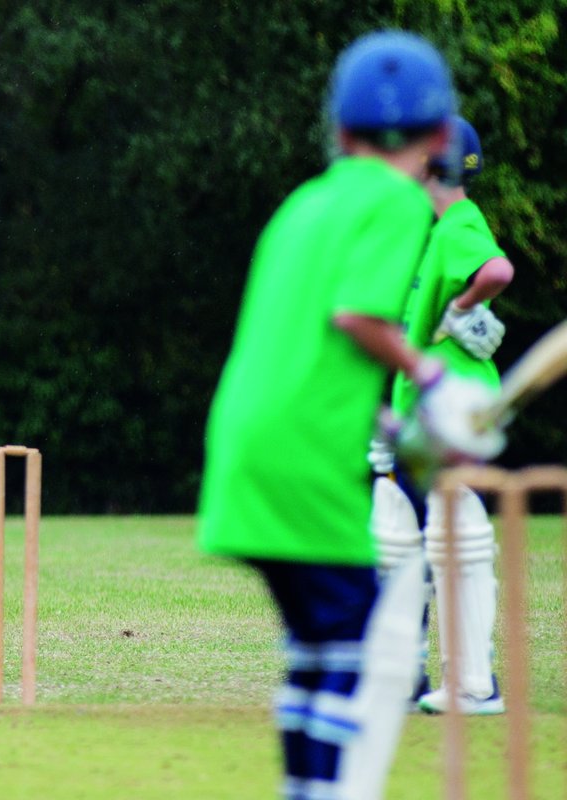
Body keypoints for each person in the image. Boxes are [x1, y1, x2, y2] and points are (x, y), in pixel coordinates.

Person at [197, 32, 503, 800]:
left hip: (247, 449)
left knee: (322, 646)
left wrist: (398, 428)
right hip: (303, 463)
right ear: (441, 138)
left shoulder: (307, 203)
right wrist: (434, 379)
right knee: (359, 645)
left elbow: (304, 349)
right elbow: (356, 319)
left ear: (337, 130)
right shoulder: (400, 203)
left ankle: (309, 788)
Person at [369, 115, 513, 716]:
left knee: (457, 540)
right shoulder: (435, 231)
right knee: (394, 536)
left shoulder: (458, 223)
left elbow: (497, 270)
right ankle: (402, 679)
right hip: (420, 411)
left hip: (452, 413)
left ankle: (474, 686)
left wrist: (461, 307)